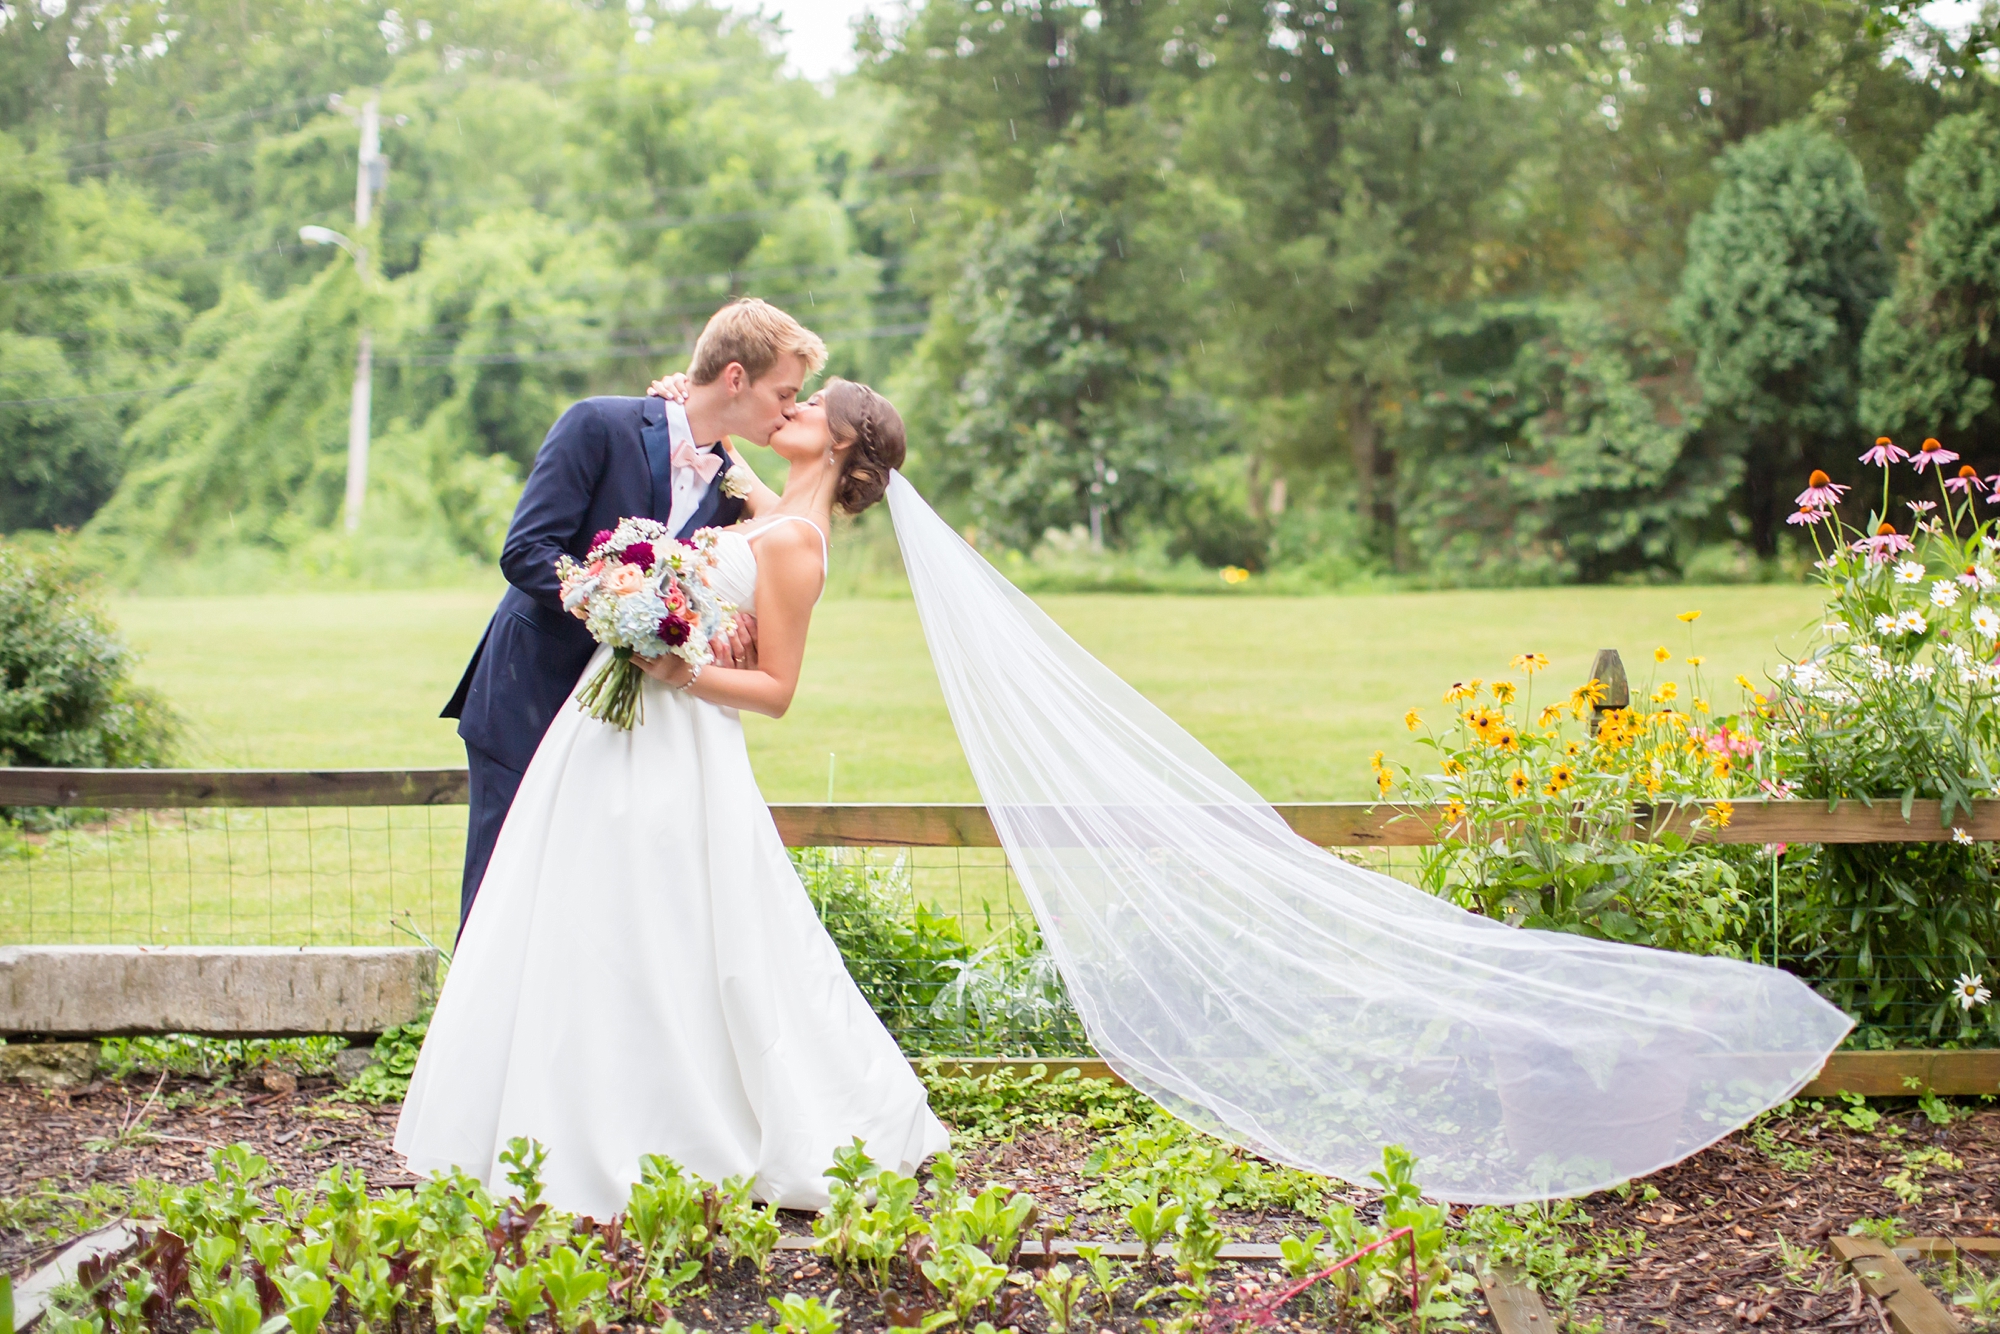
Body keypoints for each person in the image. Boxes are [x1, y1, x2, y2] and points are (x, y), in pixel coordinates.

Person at [396, 378, 948, 1214]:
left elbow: (776, 689)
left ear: (836, 443)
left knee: (672, 926)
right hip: (611, 730)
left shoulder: (798, 541)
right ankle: (557, 1114)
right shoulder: (768, 506)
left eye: (809, 406)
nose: (790, 410)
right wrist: (683, 403)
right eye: (790, 395)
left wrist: (677, 661)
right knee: (591, 914)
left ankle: (676, 1123)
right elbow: (716, 457)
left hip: (677, 736)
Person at [440, 299, 805, 928]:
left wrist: (709, 625)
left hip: (621, 728)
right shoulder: (596, 425)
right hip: (527, 694)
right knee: (500, 899)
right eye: (785, 393)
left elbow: (733, 573)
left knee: (584, 905)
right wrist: (613, 600)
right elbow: (527, 552)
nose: (791, 410)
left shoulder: (732, 492)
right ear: (737, 377)